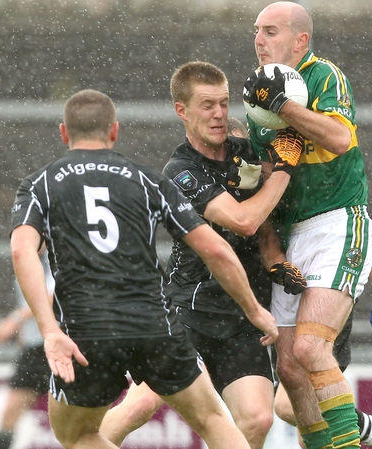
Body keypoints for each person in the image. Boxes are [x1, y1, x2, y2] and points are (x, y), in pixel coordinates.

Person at [10, 88, 278, 449]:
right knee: (213, 420)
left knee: (78, 436)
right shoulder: (148, 179)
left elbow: (21, 252)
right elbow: (216, 248)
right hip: (155, 325)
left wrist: (49, 329)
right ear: (115, 131)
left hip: (88, 329)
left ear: (63, 133)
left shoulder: (40, 184)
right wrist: (254, 309)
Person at [99, 61, 304, 449]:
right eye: (207, 105)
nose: (219, 114)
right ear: (182, 111)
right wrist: (283, 171)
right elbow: (244, 220)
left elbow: (266, 224)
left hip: (244, 314)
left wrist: (275, 256)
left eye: (224, 104)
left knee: (257, 419)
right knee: (140, 406)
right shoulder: (181, 171)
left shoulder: (247, 151)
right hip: (187, 310)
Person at [242, 2, 372, 448]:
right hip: (292, 232)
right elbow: (267, 180)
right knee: (289, 368)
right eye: (257, 31)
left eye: (272, 31)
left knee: (310, 348)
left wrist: (281, 104)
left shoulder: (324, 76)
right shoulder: (254, 99)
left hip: (338, 220)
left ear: (301, 40)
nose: (260, 40)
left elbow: (338, 138)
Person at [272, 261, 372, 449]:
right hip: (289, 293)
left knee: (287, 406)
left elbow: (367, 233)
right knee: (308, 437)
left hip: (328, 289)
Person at [0, 251, 54, 449]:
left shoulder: (59, 258)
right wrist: (24, 337)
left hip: (61, 344)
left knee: (75, 415)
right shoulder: (27, 260)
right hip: (35, 347)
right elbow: (27, 300)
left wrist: (15, 319)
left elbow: (55, 297)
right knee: (10, 410)